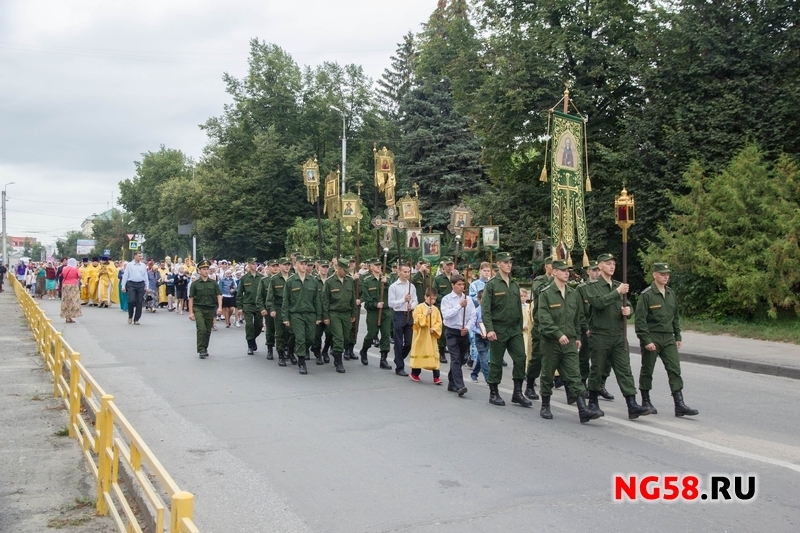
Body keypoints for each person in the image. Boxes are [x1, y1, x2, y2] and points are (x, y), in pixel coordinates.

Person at [585, 253, 652, 420]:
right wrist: (617, 292)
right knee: (598, 369)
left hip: (618, 335)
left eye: (613, 263)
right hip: (600, 334)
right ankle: (592, 401)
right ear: (599, 266)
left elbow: (627, 304)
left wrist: (628, 311)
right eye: (608, 263)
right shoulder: (593, 286)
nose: (612, 266)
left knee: (625, 370)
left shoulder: (618, 285)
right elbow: (598, 303)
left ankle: (632, 404)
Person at [537, 260, 603, 423]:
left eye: (568, 271)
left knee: (574, 374)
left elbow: (578, 317)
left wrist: (578, 337)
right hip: (551, 342)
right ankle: (545, 405)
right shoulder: (546, 294)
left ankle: (582, 409)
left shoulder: (573, 294)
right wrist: (558, 334)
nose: (567, 273)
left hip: (570, 341)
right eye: (563, 271)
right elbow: (543, 319)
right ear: (554, 273)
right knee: (547, 374)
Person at [635, 262, 698, 417]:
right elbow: (640, 321)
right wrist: (646, 340)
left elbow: (675, 317)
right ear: (654, 274)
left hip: (668, 337)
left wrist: (678, 335)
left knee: (674, 369)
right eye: (662, 274)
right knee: (648, 369)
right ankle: (645, 400)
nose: (665, 276)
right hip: (653, 336)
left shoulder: (670, 293)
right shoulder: (647, 295)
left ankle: (679, 404)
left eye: (667, 274)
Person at [482, 252, 532, 408]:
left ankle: (517, 392)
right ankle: (493, 392)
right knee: (496, 362)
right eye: (505, 262)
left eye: (510, 262)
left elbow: (518, 307)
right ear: (498, 264)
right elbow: (486, 310)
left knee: (520, 357)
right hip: (498, 328)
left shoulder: (515, 284)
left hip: (514, 329)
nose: (509, 265)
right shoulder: (492, 284)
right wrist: (489, 329)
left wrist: (519, 326)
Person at [282, 256, 322, 375]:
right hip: (296, 314)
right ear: (296, 265)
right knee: (300, 338)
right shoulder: (290, 281)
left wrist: (319, 316)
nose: (304, 266)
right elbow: (286, 301)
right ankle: (302, 361)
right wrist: (285, 317)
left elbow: (317, 300)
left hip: (310, 314)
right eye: (302, 264)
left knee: (310, 338)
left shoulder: (313, 281)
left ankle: (300, 352)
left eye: (306, 264)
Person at [440, 274, 476, 396]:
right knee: (455, 358)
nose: (462, 287)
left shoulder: (468, 299)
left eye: (463, 284)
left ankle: (451, 382)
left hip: (463, 332)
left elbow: (473, 316)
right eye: (459, 284)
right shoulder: (447, 299)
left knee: (462, 359)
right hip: (452, 332)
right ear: (453, 285)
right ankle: (459, 385)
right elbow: (446, 315)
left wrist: (467, 328)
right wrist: (459, 306)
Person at [524, 256, 554, 400]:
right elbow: (542, 292)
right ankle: (529, 385)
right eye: (553, 266)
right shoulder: (539, 281)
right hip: (541, 325)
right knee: (537, 357)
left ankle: (571, 391)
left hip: (558, 325)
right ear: (547, 266)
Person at [322, 258, 358, 373]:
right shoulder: (329, 281)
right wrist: (326, 316)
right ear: (338, 268)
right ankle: (339, 361)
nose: (347, 272)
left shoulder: (349, 280)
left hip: (346, 313)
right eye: (344, 270)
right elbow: (325, 301)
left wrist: (353, 313)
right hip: (334, 313)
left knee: (346, 337)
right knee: (338, 337)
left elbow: (353, 298)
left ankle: (335, 352)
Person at [359, 258, 393, 369]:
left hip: (386, 311)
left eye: (379, 265)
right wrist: (375, 304)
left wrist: (386, 282)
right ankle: (364, 350)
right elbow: (366, 299)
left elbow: (394, 289)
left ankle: (383, 359)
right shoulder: (367, 281)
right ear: (371, 267)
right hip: (373, 312)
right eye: (376, 265)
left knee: (385, 334)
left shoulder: (387, 279)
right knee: (372, 334)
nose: (379, 267)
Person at [388, 262, 418, 376]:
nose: (407, 274)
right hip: (399, 315)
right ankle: (399, 367)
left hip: (409, 315)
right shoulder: (394, 287)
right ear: (399, 272)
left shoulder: (412, 286)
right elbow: (391, 303)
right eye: (404, 272)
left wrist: (413, 305)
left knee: (409, 342)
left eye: (408, 272)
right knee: (399, 342)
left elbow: (415, 299)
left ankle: (398, 358)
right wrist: (403, 300)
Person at [188, 261, 223, 359]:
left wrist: (220, 307)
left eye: (207, 269)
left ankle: (205, 348)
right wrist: (191, 312)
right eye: (204, 269)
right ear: (199, 271)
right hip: (198, 308)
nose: (206, 271)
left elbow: (219, 295)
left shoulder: (213, 283)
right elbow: (191, 299)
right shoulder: (195, 284)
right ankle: (201, 349)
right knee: (201, 329)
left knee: (208, 330)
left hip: (210, 308)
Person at [266, 257, 297, 366]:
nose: (287, 266)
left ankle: (291, 352)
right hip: (279, 308)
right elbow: (270, 297)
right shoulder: (274, 279)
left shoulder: (294, 278)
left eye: (289, 264)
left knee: (292, 332)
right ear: (280, 266)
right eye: (285, 264)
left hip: (291, 308)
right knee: (280, 333)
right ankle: (280, 354)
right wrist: (272, 309)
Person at [409, 287, 443, 384]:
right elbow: (417, 320)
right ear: (425, 296)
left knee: (434, 354)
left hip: (431, 336)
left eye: (434, 299)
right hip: (422, 336)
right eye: (431, 298)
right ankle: (415, 373)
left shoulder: (436, 309)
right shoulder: (419, 307)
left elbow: (439, 322)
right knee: (420, 353)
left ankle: (436, 376)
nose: (433, 301)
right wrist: (425, 314)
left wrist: (435, 329)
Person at [237, 258, 263, 355]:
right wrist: (239, 307)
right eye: (252, 264)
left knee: (259, 325)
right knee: (249, 325)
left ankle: (253, 338)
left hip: (258, 305)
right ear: (248, 265)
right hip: (248, 304)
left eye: (256, 264)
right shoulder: (244, 278)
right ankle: (250, 345)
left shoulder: (261, 277)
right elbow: (239, 293)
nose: (254, 265)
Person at [256, 259, 279, 359]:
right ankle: (270, 348)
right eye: (273, 266)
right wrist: (262, 308)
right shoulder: (264, 280)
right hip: (269, 309)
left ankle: (283, 350)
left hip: (280, 308)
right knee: (270, 330)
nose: (275, 268)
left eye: (277, 266)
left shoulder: (282, 279)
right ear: (268, 268)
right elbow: (259, 297)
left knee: (283, 330)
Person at [434, 257, 455, 363]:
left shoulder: (455, 278)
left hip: (455, 307)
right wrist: (445, 299)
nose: (449, 267)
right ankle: (441, 351)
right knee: (442, 330)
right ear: (443, 266)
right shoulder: (438, 279)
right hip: (442, 307)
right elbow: (435, 294)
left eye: (451, 264)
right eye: (447, 265)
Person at [121, 252, 148, 325]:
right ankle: (130, 316)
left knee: (139, 302)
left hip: (140, 284)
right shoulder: (130, 265)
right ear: (135, 256)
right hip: (131, 284)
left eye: (141, 256)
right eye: (139, 256)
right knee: (131, 301)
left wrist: (147, 286)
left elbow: (145, 276)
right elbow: (125, 275)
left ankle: (136, 319)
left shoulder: (143, 265)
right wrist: (123, 286)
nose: (140, 258)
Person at [470, 290, 490, 383]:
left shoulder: (490, 310)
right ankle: (488, 378)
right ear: (479, 299)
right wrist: (480, 332)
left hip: (488, 336)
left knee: (482, 357)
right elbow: (473, 325)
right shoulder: (476, 311)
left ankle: (474, 373)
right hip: (479, 337)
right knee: (484, 358)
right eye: (483, 299)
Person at [59, 258, 82, 323]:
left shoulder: (64, 268)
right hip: (73, 286)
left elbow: (62, 275)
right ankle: (71, 316)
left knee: (66, 301)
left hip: (65, 285)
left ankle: (67, 317)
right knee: (73, 300)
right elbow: (80, 276)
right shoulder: (75, 269)